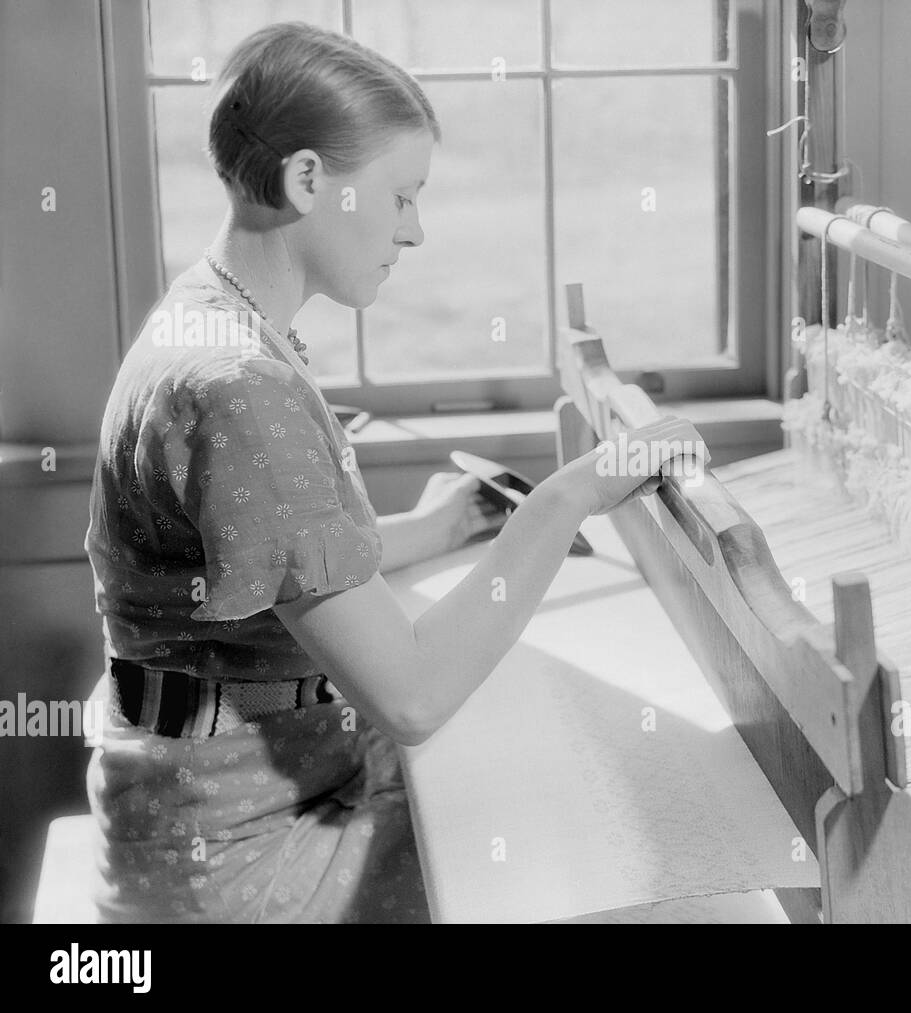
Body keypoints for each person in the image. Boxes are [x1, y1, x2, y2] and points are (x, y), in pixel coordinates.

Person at [83, 21, 707, 923]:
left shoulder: (210, 318)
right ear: (307, 181)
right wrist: (571, 496)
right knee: (602, 852)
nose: (414, 230)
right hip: (237, 859)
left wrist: (441, 529)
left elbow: (268, 569)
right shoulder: (239, 386)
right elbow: (411, 696)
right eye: (401, 196)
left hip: (206, 805)